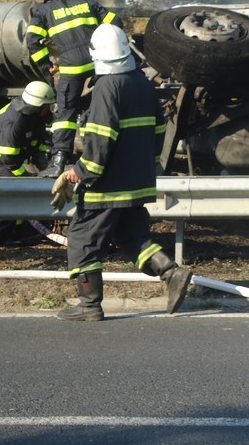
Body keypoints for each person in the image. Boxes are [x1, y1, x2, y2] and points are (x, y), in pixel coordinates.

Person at [53, 23, 191, 321]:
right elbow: (158, 132)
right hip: (137, 180)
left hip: (107, 184)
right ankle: (171, 272)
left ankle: (89, 305)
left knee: (82, 238)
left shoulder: (106, 87)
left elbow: (100, 139)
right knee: (129, 234)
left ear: (96, 54)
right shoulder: (142, 82)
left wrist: (80, 172)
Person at [25, 0, 123, 178]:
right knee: (101, 107)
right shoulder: (89, 4)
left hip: (72, 67)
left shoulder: (44, 10)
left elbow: (32, 42)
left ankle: (59, 162)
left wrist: (47, 66)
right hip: (98, 63)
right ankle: (100, 154)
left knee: (65, 114)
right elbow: (116, 23)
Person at [0, 81, 55, 245]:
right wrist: (23, 177)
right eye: (48, 105)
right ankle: (2, 240)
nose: (49, 109)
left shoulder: (33, 114)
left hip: (8, 156)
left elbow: (36, 140)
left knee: (19, 192)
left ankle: (19, 235)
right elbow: (9, 159)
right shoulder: (14, 123)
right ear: (39, 106)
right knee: (9, 194)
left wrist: (43, 162)